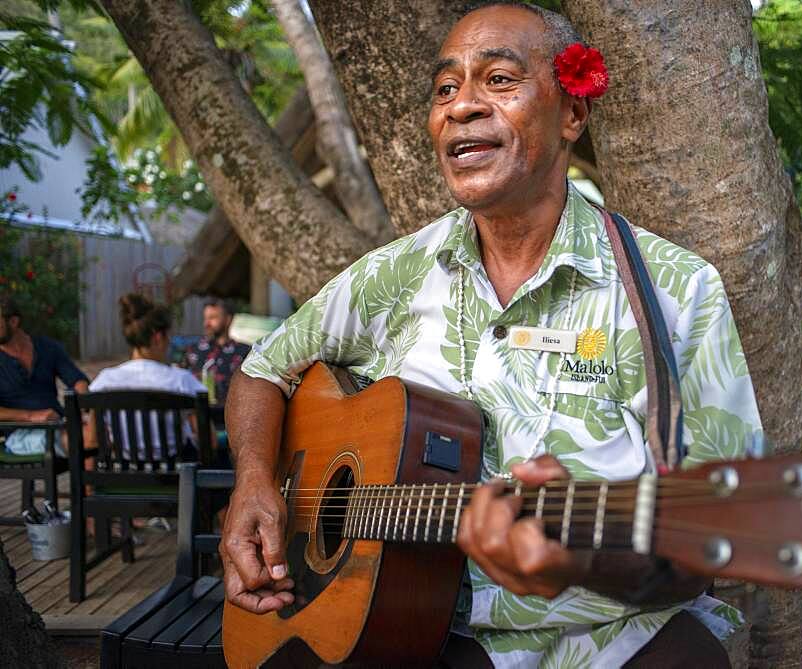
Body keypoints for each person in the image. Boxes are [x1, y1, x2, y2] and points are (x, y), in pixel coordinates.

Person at [222, 4, 762, 667]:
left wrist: (584, 558)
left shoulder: (677, 293)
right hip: (409, 635)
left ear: (572, 114)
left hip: (609, 644)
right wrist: (253, 483)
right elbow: (263, 369)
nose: (462, 107)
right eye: (446, 88)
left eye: (499, 79)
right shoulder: (394, 275)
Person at [88, 294, 208, 460]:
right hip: (176, 479)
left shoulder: (104, 381)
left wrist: (90, 486)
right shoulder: (182, 380)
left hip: (123, 475)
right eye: (169, 337)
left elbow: (91, 442)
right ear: (158, 337)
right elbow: (209, 442)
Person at [0, 294, 88, 456]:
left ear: (13, 321)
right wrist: (30, 416)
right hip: (20, 434)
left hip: (59, 424)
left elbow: (78, 380)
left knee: (100, 433)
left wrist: (81, 408)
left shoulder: (46, 347)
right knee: (84, 440)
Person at [178, 297, 249, 406]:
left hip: (230, 415)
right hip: (197, 415)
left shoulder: (244, 352)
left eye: (212, 318)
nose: (207, 323)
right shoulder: (193, 350)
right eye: (205, 318)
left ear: (228, 319)